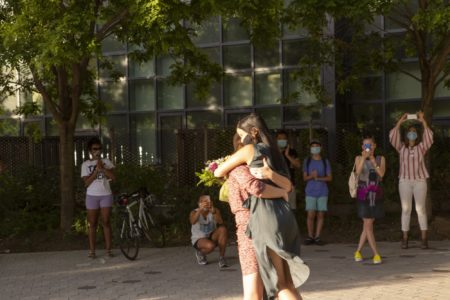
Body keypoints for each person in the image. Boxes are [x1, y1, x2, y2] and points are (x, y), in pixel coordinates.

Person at [215, 113, 309, 300]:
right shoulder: (274, 152)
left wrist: (228, 166)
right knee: (285, 282)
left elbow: (218, 171)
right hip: (283, 215)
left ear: (254, 131)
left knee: (275, 287)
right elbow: (288, 186)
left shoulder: (249, 150)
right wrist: (271, 178)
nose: (241, 140)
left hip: (263, 218)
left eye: (241, 135)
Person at [227, 133, 292, 300]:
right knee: (281, 284)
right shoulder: (266, 168)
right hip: (271, 225)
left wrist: (281, 192)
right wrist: (283, 191)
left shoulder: (240, 169)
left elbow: (256, 188)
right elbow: (287, 185)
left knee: (253, 292)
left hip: (251, 229)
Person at [389, 112, 433, 249]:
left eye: (414, 132)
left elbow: (429, 138)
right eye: (410, 132)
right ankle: (405, 239)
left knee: (421, 210)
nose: (412, 134)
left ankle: (424, 239)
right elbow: (392, 136)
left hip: (420, 181)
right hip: (405, 181)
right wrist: (401, 121)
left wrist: (423, 121)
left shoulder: (421, 148)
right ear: (406, 135)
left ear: (417, 135)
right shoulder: (401, 147)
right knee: (406, 209)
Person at [353, 134, 386, 264]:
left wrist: (372, 161)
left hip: (376, 193)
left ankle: (357, 252)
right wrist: (364, 158)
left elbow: (382, 174)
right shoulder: (358, 158)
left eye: (370, 145)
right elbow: (357, 173)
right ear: (362, 146)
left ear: (374, 145)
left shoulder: (380, 158)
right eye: (366, 145)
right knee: (368, 224)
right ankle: (376, 254)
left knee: (367, 225)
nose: (368, 147)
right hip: (363, 192)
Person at [81, 137, 115, 258]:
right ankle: (92, 251)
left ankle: (108, 250)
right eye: (95, 149)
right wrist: (96, 171)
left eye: (99, 148)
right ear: (90, 150)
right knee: (92, 223)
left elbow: (113, 177)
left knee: (106, 221)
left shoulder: (107, 161)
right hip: (92, 196)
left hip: (105, 194)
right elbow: (86, 183)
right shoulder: (86, 164)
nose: (98, 151)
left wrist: (103, 168)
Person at [302, 139, 332, 246]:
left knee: (320, 214)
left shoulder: (325, 161)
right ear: (310, 149)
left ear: (321, 148)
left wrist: (318, 178)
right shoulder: (307, 161)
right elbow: (305, 178)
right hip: (310, 191)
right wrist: (312, 176)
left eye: (317, 146)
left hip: (322, 191)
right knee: (311, 214)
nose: (315, 148)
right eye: (313, 146)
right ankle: (310, 236)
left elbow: (329, 178)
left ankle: (318, 236)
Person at [190, 194, 229, 268]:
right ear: (199, 203)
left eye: (209, 201)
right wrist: (200, 210)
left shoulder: (214, 210)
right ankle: (200, 253)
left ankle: (222, 258)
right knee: (211, 246)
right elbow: (193, 221)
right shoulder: (194, 212)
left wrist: (214, 212)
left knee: (223, 229)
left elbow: (220, 222)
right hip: (199, 239)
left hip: (211, 235)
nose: (207, 203)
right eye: (204, 202)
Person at [276, 131, 301, 210]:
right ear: (276, 140)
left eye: (284, 139)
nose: (282, 140)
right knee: (279, 208)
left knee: (291, 208)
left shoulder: (292, 152)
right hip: (276, 185)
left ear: (287, 140)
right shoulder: (273, 152)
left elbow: (298, 165)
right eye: (280, 139)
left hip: (290, 184)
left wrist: (287, 155)